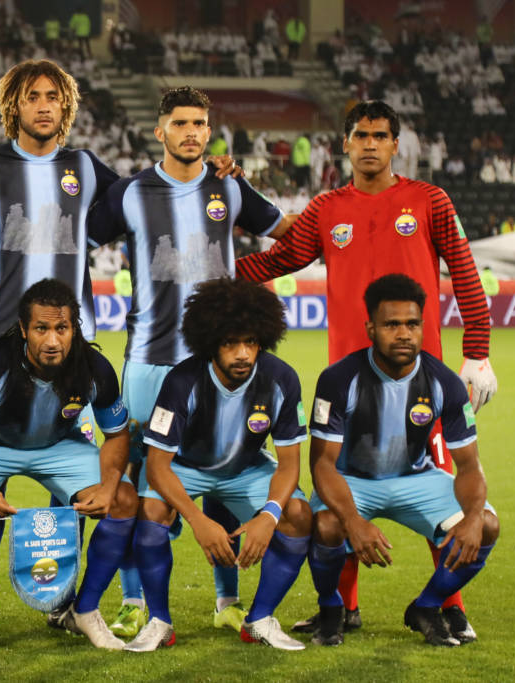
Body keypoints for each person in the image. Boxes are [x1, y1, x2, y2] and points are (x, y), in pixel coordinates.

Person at [235, 100, 496, 640]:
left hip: (420, 378)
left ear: (395, 144)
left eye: (380, 135)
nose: (370, 144)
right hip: (348, 382)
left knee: (443, 488)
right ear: (346, 144)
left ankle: (449, 603)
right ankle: (344, 608)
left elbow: (466, 273)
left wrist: (477, 350)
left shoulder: (429, 200)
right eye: (361, 135)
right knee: (339, 493)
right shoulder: (326, 208)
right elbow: (278, 260)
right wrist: (211, 272)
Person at [88, 85, 294, 637]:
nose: (191, 132)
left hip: (217, 365)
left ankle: (227, 600)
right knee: (137, 481)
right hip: (150, 361)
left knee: (225, 467)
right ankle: (134, 601)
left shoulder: (230, 186)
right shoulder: (130, 192)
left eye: (200, 123)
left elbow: (291, 233)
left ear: (210, 130)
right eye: (180, 123)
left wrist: (246, 280)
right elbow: (74, 241)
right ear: (160, 131)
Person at [0, 278, 137, 654]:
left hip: (58, 447)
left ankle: (85, 610)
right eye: (41, 329)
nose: (53, 340)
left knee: (123, 500)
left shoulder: (94, 367)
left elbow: (117, 435)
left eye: (62, 328)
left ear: (74, 328)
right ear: (24, 329)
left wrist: (109, 486)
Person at [306, 274, 498, 647]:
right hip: (352, 478)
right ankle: (331, 608)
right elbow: (322, 465)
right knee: (328, 526)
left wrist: (474, 517)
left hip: (415, 478)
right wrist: (353, 521)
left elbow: (469, 466)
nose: (404, 334)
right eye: (391, 325)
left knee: (487, 525)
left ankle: (427, 606)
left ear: (423, 326)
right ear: (371, 329)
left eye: (412, 324)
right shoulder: (339, 379)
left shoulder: (445, 383)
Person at [127, 277, 310, 651]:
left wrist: (269, 515)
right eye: (230, 343)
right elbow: (158, 466)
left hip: (246, 468)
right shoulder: (182, 381)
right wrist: (198, 520)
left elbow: (290, 464)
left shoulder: (281, 379)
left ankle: (259, 619)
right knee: (151, 510)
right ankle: (160, 622)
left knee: (298, 515)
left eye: (251, 342)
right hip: (186, 468)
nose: (242, 354)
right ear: (211, 342)